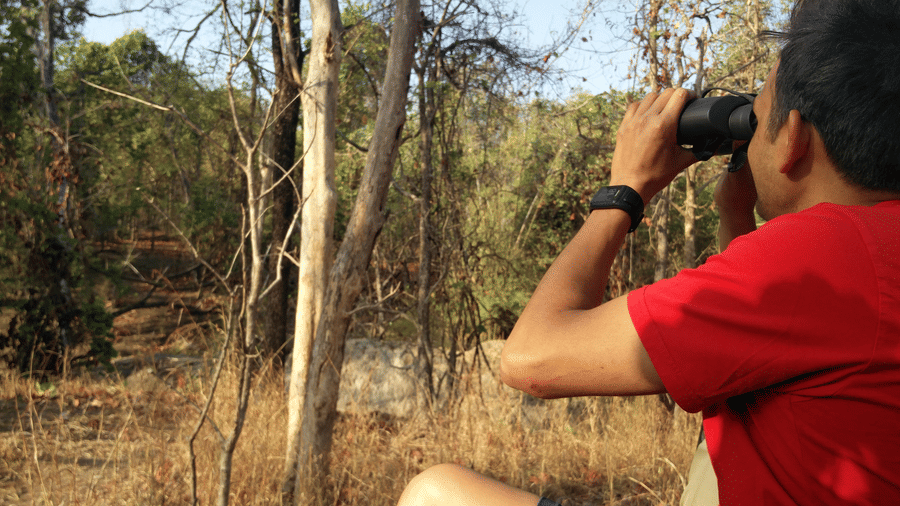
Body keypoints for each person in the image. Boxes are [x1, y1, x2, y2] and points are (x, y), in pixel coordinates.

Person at [396, 0, 900, 504]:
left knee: (436, 493)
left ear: (792, 140)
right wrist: (734, 216)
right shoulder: (870, 250)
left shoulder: (821, 252)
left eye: (759, 118)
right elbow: (772, 341)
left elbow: (530, 357)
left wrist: (625, 191)